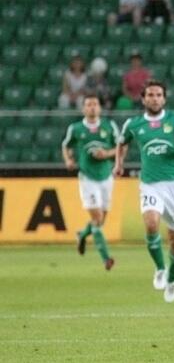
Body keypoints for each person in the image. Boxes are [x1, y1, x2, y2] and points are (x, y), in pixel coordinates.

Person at [113, 80, 174, 303]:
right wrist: (118, 163)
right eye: (150, 95)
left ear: (164, 98)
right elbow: (122, 143)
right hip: (150, 183)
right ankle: (160, 268)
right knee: (151, 223)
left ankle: (172, 279)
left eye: (158, 95)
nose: (154, 98)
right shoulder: (133, 124)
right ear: (143, 99)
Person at [62, 94, 120, 271]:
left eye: (95, 104)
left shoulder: (109, 126)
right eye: (88, 105)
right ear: (83, 109)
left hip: (106, 177)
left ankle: (82, 234)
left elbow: (120, 147)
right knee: (97, 218)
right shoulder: (76, 128)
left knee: (100, 220)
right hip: (87, 178)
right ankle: (106, 258)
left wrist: (107, 154)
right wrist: (68, 161)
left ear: (100, 108)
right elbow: (66, 145)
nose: (92, 107)